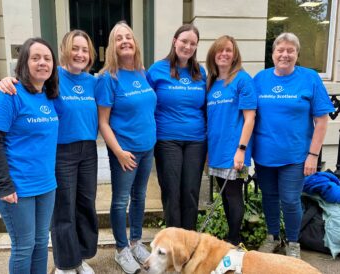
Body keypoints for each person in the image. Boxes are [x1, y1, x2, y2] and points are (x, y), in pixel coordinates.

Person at [0, 30, 99, 274]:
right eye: (75, 48)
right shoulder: (49, 80)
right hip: (60, 152)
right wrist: (6, 80)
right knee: (61, 212)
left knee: (84, 207)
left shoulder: (91, 81)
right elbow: (25, 94)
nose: (80, 54)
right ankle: (65, 263)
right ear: (64, 51)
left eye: (85, 50)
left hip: (86, 151)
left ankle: (79, 258)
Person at [253, 32, 334, 258]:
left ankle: (293, 242)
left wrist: (313, 155)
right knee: (268, 197)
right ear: (273, 54)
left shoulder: (310, 78)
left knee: (290, 200)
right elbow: (248, 115)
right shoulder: (260, 79)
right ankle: (272, 237)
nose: (285, 55)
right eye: (280, 50)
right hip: (264, 154)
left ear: (297, 54)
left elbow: (321, 120)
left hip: (296, 155)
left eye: (290, 50)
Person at [0, 37, 59, 274]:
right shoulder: (9, 95)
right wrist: (3, 185)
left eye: (47, 58)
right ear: (24, 62)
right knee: (23, 246)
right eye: (35, 58)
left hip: (46, 185)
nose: (42, 63)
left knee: (41, 243)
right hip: (17, 187)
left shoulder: (49, 95)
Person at [96, 21, 156, 274]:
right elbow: (103, 122)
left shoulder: (143, 73)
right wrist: (118, 151)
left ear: (135, 42)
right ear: (113, 45)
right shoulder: (108, 78)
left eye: (128, 36)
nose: (125, 41)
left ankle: (136, 242)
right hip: (125, 151)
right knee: (121, 201)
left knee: (140, 197)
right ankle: (121, 249)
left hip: (148, 148)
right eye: (119, 38)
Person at [146, 24, 207, 231]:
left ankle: (188, 239)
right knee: (171, 191)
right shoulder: (156, 70)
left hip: (196, 140)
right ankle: (173, 239)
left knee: (190, 191)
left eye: (192, 43)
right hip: (167, 138)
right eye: (184, 41)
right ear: (174, 41)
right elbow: (146, 105)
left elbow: (207, 106)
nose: (188, 47)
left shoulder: (200, 72)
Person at [205, 35, 256, 245]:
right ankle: (230, 237)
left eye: (229, 50)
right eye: (220, 50)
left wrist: (241, 150)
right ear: (213, 54)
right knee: (225, 196)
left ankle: (234, 241)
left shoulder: (242, 80)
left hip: (235, 152)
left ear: (234, 55)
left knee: (234, 196)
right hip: (216, 151)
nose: (224, 54)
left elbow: (250, 117)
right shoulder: (212, 83)